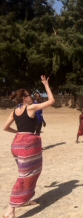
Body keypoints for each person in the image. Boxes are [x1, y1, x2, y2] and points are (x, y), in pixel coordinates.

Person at [2, 75, 55, 218]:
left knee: (27, 174)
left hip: (16, 144)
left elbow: (5, 127)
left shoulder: (15, 110)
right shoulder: (30, 108)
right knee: (26, 176)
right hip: (28, 146)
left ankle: (24, 200)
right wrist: (46, 85)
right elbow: (51, 101)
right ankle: (11, 208)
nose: (31, 97)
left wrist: (19, 132)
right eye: (29, 95)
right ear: (25, 98)